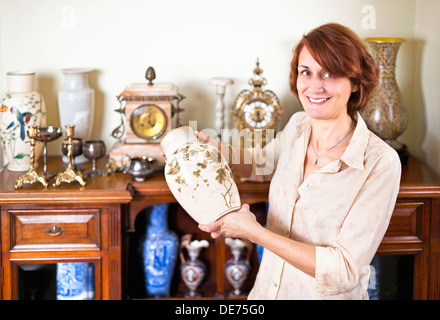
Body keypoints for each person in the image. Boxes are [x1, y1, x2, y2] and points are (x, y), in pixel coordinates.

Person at [195, 23, 401, 299]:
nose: (314, 86)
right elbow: (263, 163)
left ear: (355, 82)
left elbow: (344, 270)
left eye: (329, 73)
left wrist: (256, 233)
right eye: (306, 72)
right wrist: (215, 149)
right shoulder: (297, 125)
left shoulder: (381, 163)